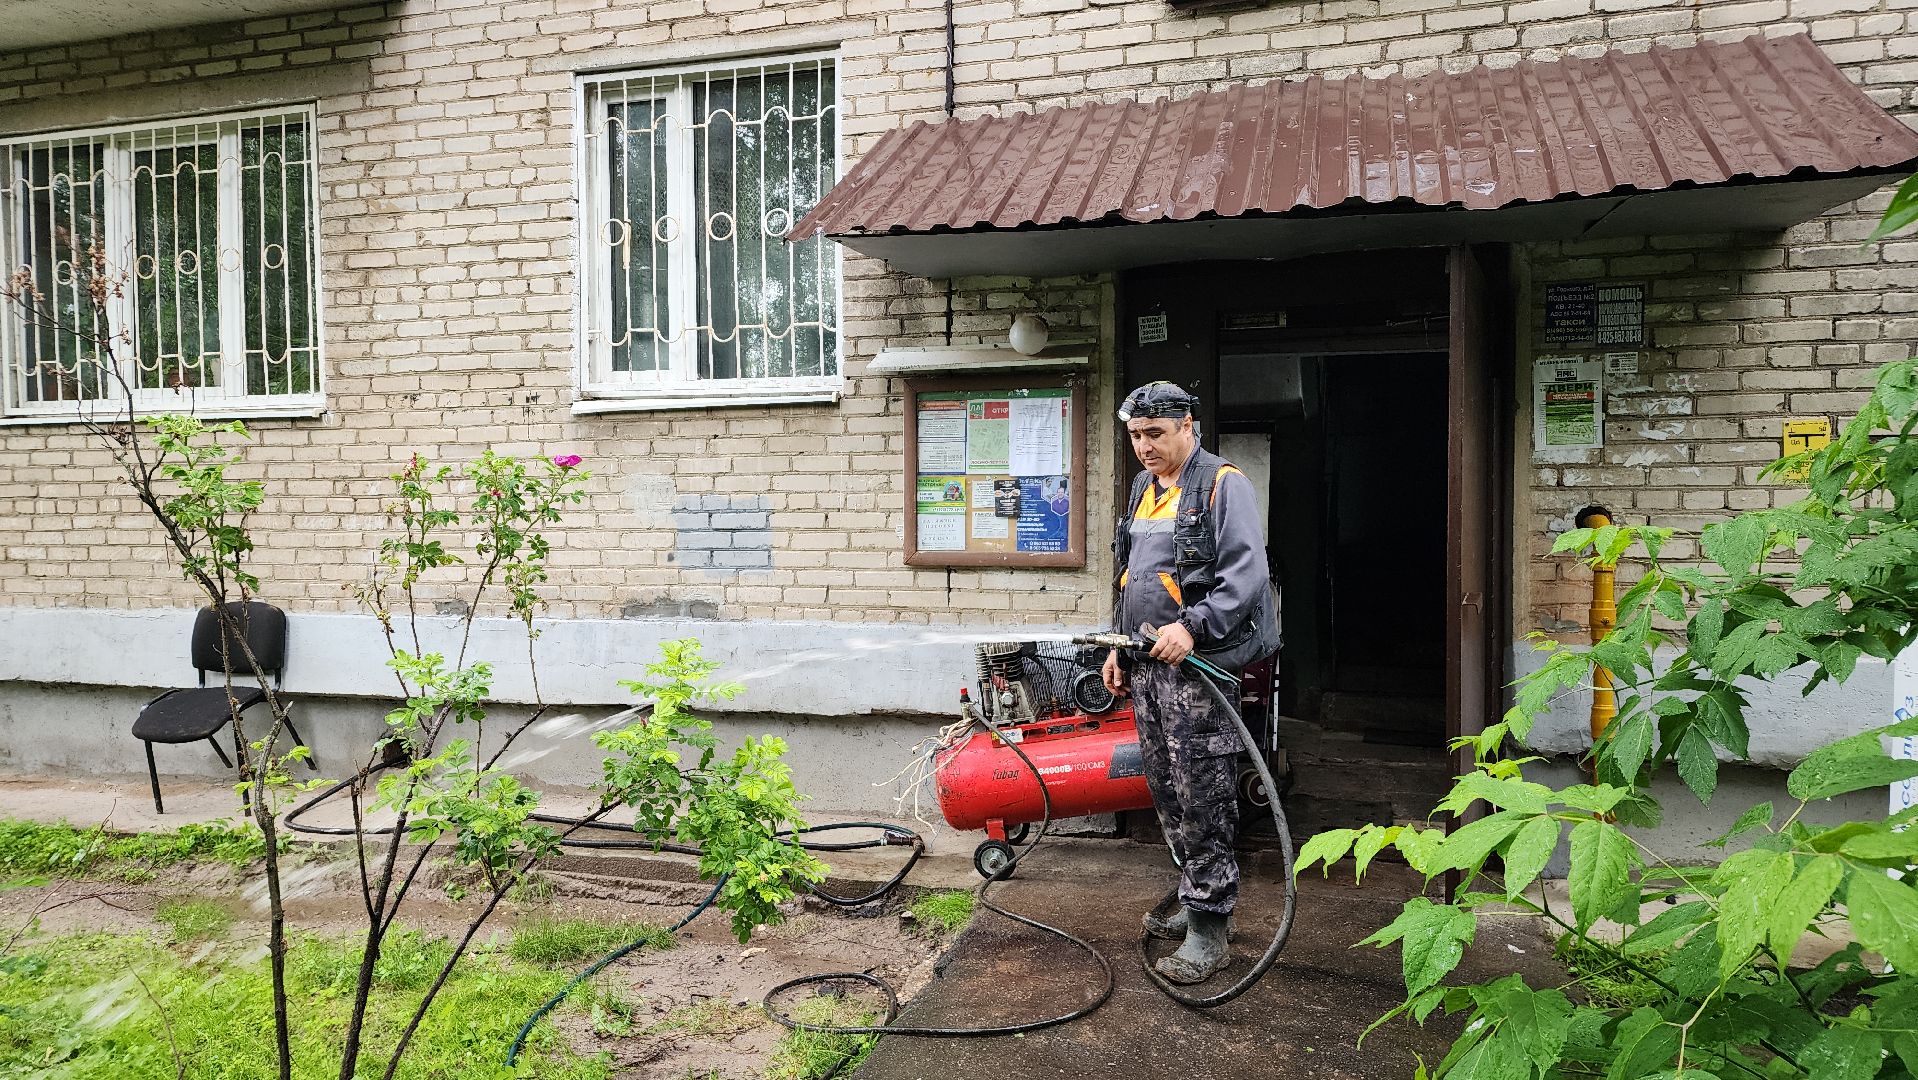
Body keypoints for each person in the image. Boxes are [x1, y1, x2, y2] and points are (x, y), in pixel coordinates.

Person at [1102, 381, 1272, 985]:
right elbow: (1131, 574)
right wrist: (1119, 646)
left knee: (1204, 791)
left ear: (1188, 427)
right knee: (1167, 787)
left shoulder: (1225, 485)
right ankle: (1192, 891)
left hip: (1199, 668)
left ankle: (1210, 926)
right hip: (1148, 664)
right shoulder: (1143, 489)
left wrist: (1194, 628)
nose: (1144, 446)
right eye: (1136, 436)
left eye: (1156, 434)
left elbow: (1245, 576)